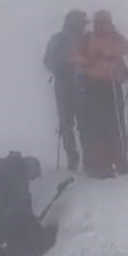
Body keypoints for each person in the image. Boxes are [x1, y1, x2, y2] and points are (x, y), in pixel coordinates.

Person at [72, 10, 128, 177]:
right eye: (99, 22)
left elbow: (126, 48)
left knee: (116, 125)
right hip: (93, 85)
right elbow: (76, 56)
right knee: (97, 126)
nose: (101, 25)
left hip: (112, 84)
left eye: (104, 22)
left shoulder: (115, 37)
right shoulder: (87, 39)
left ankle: (120, 161)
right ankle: (100, 165)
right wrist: (91, 59)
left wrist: (106, 53)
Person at [43, 10, 90, 172]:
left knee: (74, 123)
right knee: (71, 123)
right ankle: (77, 158)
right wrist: (67, 62)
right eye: (81, 22)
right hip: (70, 84)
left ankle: (79, 159)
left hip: (76, 84)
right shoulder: (61, 39)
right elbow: (48, 61)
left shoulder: (83, 39)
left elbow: (48, 61)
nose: (83, 25)